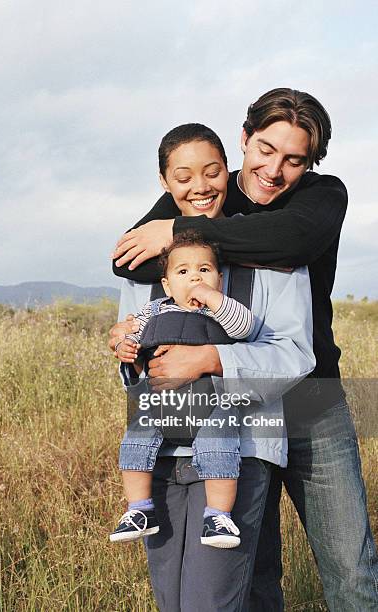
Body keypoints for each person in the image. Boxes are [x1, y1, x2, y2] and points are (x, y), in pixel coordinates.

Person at [111, 88, 378, 610]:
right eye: (264, 150)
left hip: (309, 398)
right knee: (250, 566)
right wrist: (131, 335)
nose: (274, 169)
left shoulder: (322, 196)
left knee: (350, 564)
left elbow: (293, 240)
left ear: (310, 163)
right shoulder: (209, 188)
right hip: (230, 409)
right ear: (243, 140)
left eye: (293, 158)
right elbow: (133, 260)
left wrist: (183, 232)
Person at [111, 228, 253, 548]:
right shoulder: (154, 310)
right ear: (166, 284)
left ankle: (218, 516)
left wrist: (212, 297)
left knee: (220, 445)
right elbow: (134, 338)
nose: (194, 278)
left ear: (219, 277)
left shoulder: (221, 310)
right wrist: (126, 346)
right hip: (161, 399)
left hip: (213, 399)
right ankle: (139, 509)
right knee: (136, 436)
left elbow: (245, 326)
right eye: (183, 271)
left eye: (204, 270)